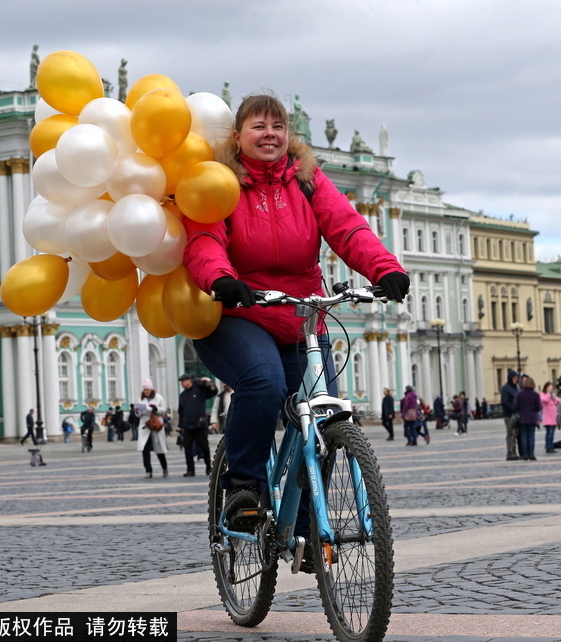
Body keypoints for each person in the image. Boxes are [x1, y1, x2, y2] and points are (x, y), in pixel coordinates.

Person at [180, 92, 408, 532]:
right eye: (259, 126)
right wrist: (221, 279)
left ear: (289, 134)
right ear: (238, 135)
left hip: (302, 315)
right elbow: (203, 238)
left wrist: (386, 269)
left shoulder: (308, 180)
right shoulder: (219, 180)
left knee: (322, 417)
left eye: (278, 126)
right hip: (237, 314)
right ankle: (244, 487)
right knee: (265, 383)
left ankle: (306, 528)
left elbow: (347, 227)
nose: (270, 135)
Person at [177, 374, 216, 476]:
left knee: (204, 447)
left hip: (199, 425)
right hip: (187, 426)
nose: (182, 383)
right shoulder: (183, 395)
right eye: (181, 382)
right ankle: (190, 470)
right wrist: (180, 425)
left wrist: (207, 382)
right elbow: (181, 411)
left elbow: (213, 391)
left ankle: (208, 467)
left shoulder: (199, 390)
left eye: (184, 381)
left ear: (190, 380)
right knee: (187, 449)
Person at [137, 379, 168, 478]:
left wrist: (155, 409)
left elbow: (164, 410)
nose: (146, 391)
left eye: (147, 389)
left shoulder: (158, 398)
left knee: (159, 449)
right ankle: (148, 471)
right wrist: (137, 411)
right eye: (144, 389)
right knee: (145, 449)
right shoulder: (140, 399)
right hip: (145, 425)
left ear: (151, 389)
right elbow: (138, 414)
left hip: (155, 425)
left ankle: (164, 468)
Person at [513, 375, 541, 460]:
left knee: (524, 436)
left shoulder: (520, 394)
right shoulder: (535, 394)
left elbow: (515, 406)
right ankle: (531, 454)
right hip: (532, 417)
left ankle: (525, 454)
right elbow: (538, 407)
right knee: (531, 436)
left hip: (522, 417)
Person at [501, 369, 520, 460]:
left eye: (517, 377)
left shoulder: (516, 388)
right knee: (510, 433)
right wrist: (513, 409)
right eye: (514, 377)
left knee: (515, 434)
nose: (516, 379)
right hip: (509, 415)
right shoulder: (506, 388)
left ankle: (514, 452)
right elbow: (504, 402)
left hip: (516, 414)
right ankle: (510, 453)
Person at [540, 381, 560, 453]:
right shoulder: (542, 394)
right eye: (549, 387)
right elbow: (544, 400)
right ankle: (548, 446)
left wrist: (555, 398)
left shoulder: (552, 395)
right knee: (549, 432)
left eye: (551, 388)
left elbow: (559, 401)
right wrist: (548, 393)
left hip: (554, 417)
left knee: (552, 432)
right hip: (548, 416)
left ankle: (551, 446)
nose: (551, 389)